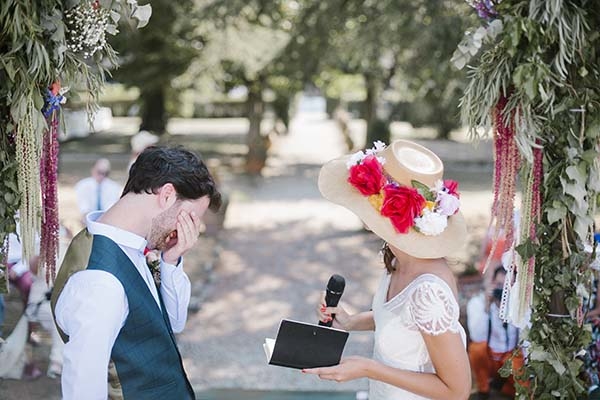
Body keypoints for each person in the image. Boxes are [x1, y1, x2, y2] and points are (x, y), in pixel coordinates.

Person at [304, 139, 471, 399]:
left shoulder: (429, 292)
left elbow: (457, 390)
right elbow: (401, 320)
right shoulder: (397, 259)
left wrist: (370, 369)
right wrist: (349, 322)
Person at [51, 146, 222, 399]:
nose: (191, 230)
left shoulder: (129, 244)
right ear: (166, 195)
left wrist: (171, 260)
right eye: (190, 217)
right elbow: (83, 388)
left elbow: (172, 323)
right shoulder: (100, 283)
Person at [466, 265, 523, 399]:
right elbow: (477, 336)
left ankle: (507, 389)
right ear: (492, 283)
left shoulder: (518, 305)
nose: (502, 291)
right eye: (498, 285)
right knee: (476, 349)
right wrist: (487, 306)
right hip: (490, 357)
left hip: (510, 356)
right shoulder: (478, 303)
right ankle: (483, 390)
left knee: (519, 380)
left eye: (506, 286)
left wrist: (510, 304)